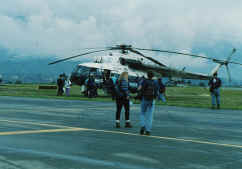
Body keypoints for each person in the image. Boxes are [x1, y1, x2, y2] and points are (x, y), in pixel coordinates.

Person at [138, 71, 158, 136]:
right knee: (150, 116)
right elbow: (156, 92)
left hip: (144, 98)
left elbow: (140, 89)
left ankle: (142, 125)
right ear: (153, 76)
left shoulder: (144, 81)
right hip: (152, 100)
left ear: (147, 75)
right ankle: (148, 130)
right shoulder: (155, 82)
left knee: (142, 113)